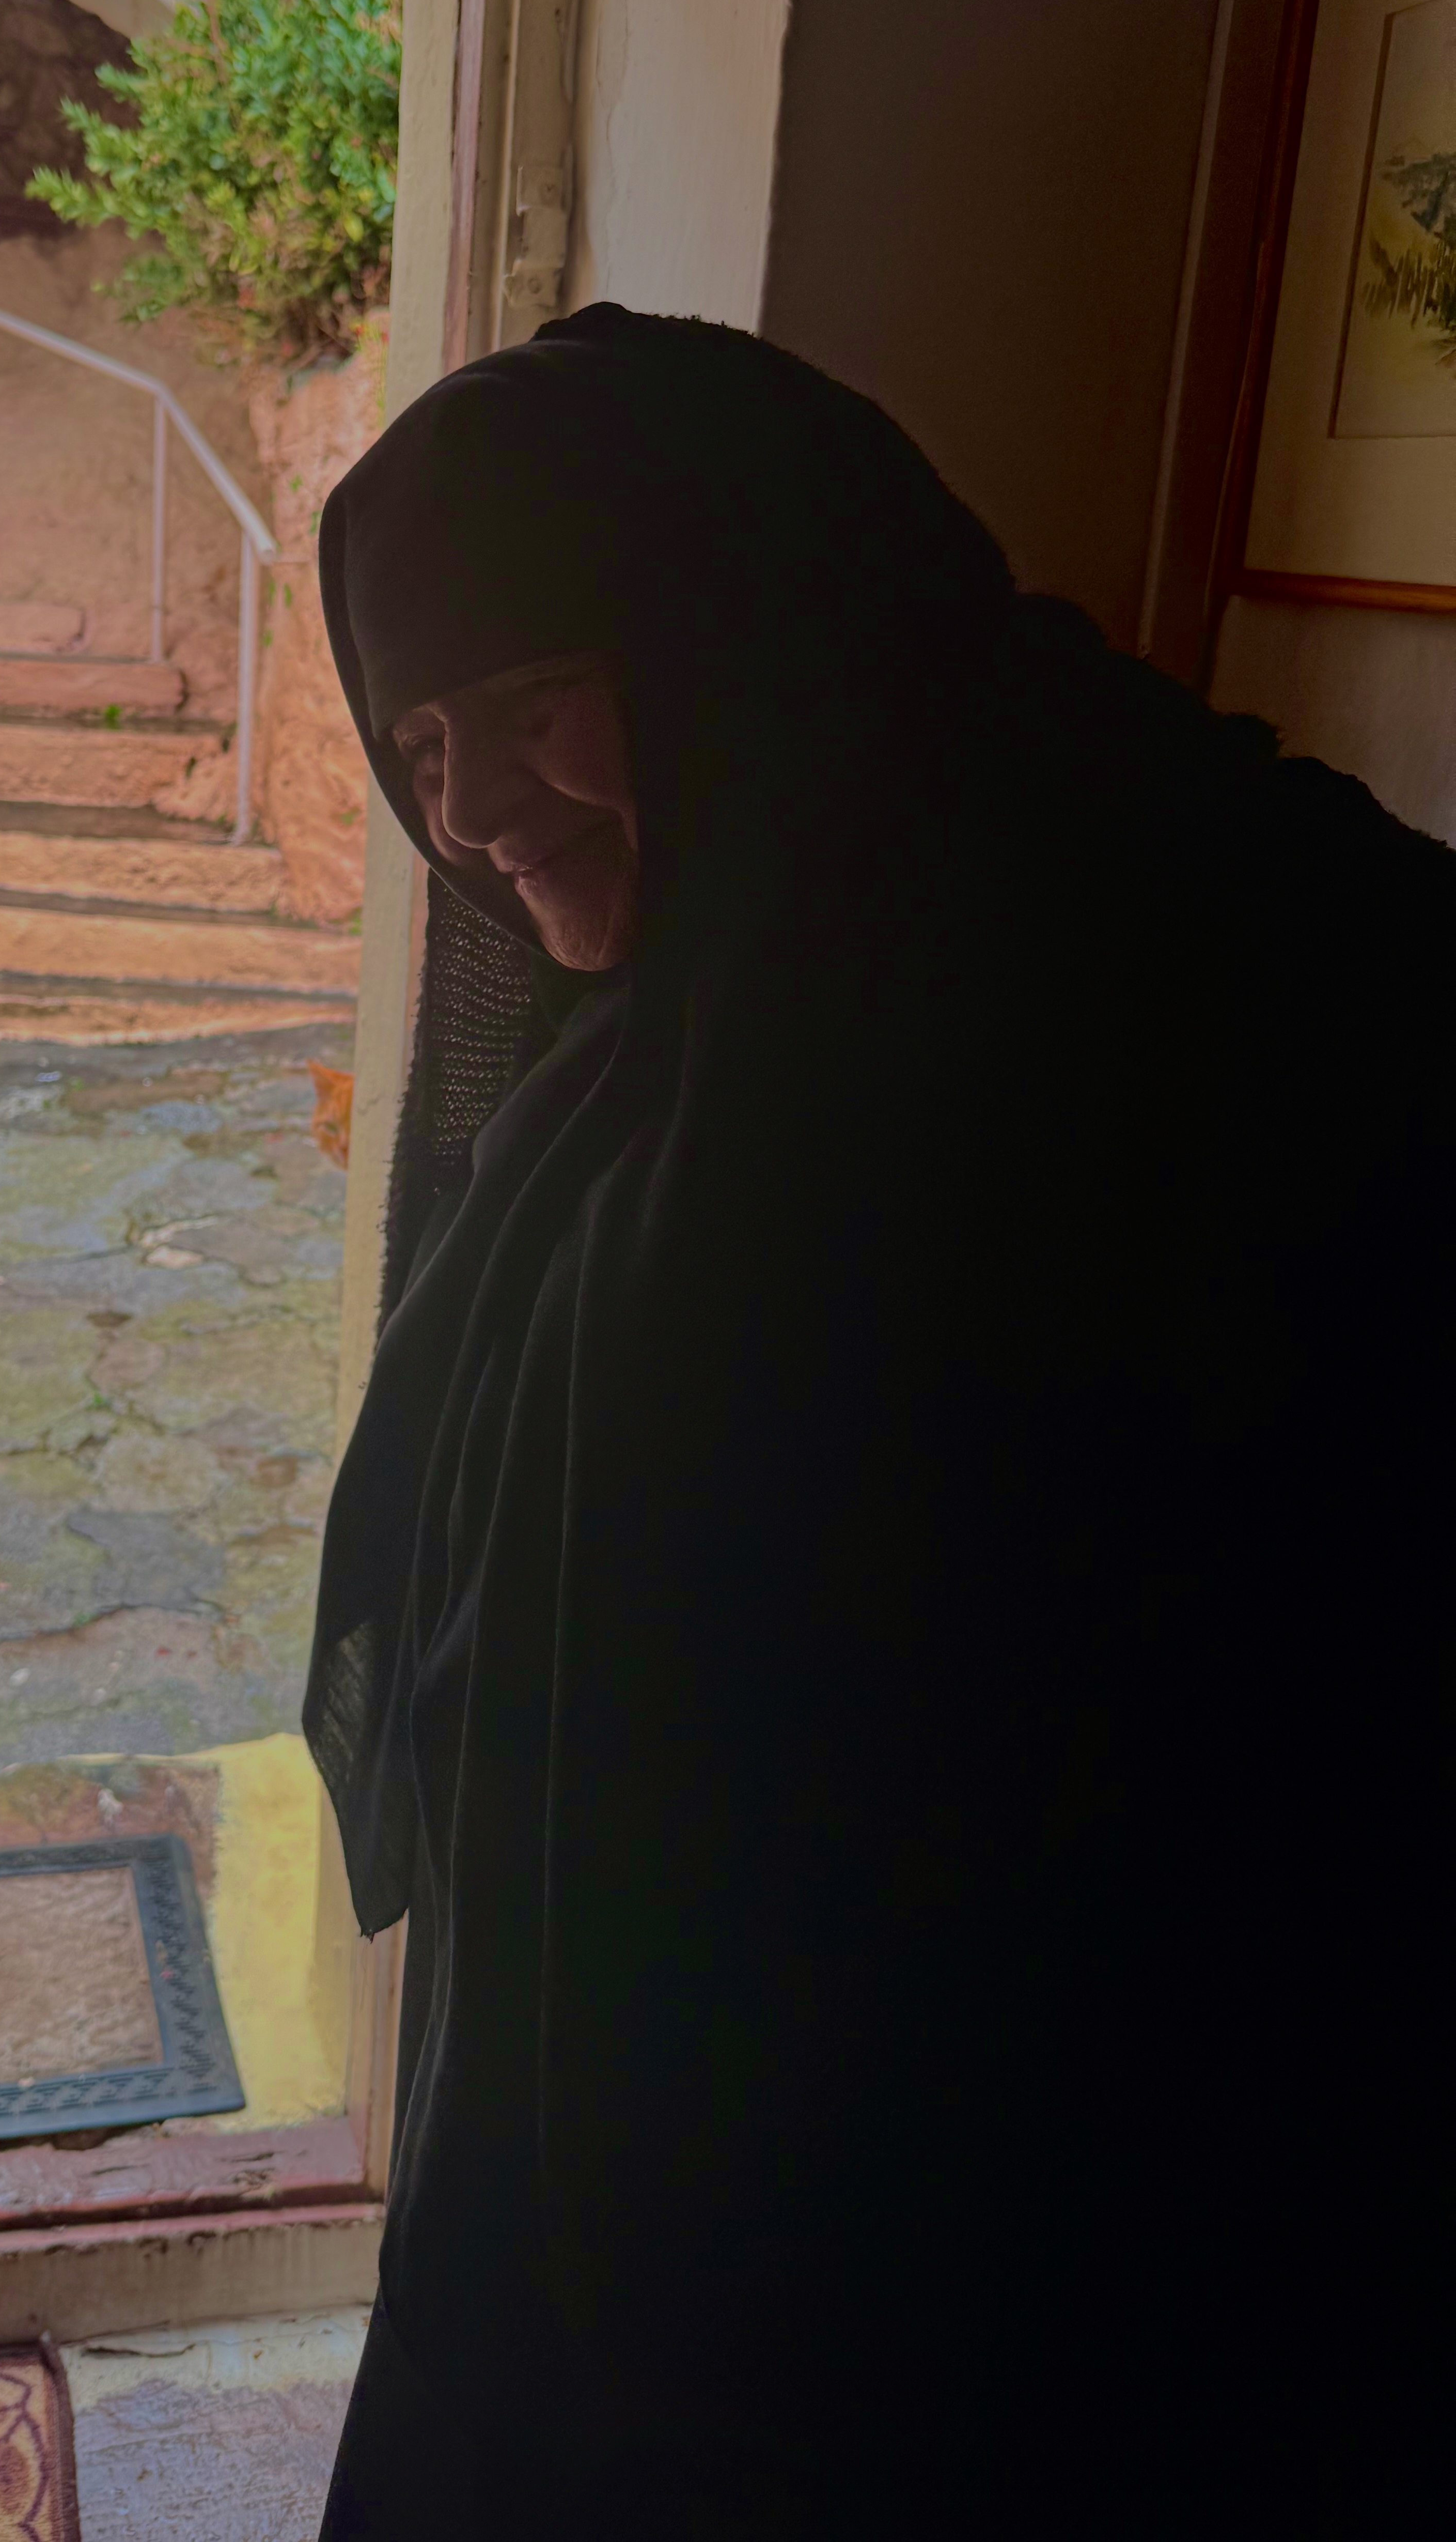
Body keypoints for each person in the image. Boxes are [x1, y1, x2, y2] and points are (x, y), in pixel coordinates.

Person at [308, 306, 1450, 2534]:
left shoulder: (1201, 948)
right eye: (418, 745)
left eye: (530, 705)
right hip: (682, 2173)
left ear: (746, 621)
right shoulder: (703, 999)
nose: (468, 814)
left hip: (1014, 2187)